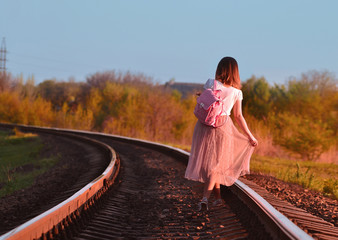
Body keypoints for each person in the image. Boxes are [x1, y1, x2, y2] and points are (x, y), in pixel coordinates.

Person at [185, 56, 258, 211]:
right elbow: (238, 116)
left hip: (204, 126)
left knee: (210, 164)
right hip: (222, 128)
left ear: (220, 69)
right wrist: (250, 136)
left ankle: (215, 198)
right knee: (215, 165)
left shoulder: (211, 83)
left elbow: (204, 102)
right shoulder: (237, 92)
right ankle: (205, 199)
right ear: (236, 72)